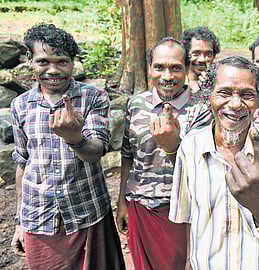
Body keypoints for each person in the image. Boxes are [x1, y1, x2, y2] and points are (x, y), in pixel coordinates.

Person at [168, 56, 259, 270]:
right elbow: (188, 217)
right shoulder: (190, 147)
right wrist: (189, 260)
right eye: (224, 93)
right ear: (209, 97)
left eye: (247, 95)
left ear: (258, 101)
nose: (235, 104)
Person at [9, 23, 125, 270]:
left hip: (87, 212)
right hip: (38, 218)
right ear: (30, 60)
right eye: (43, 62)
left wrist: (75, 138)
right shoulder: (20, 105)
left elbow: (96, 152)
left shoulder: (93, 97)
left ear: (73, 62)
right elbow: (22, 163)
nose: (53, 70)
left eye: (62, 61)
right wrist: (19, 221)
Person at [116, 37, 212, 269]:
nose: (167, 76)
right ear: (149, 68)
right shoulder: (136, 103)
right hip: (140, 206)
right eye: (159, 67)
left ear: (187, 69)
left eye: (176, 68)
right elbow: (128, 156)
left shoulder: (202, 108)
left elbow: (202, 167)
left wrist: (172, 146)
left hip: (181, 211)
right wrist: (122, 202)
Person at [181, 26, 221, 94]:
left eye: (208, 54)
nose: (202, 59)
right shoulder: (178, 82)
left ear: (214, 57)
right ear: (186, 54)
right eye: (196, 53)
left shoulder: (220, 83)